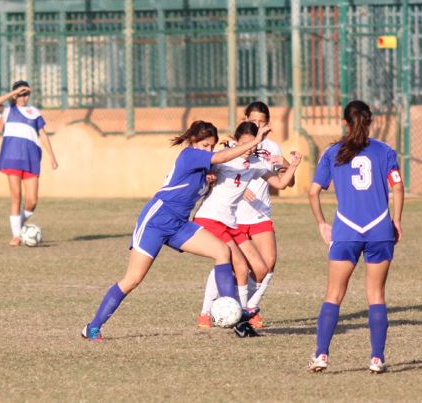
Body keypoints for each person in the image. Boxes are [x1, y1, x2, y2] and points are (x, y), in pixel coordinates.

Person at [81, 120, 271, 341]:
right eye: (205, 145)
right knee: (133, 279)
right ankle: (93, 327)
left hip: (179, 224)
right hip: (157, 220)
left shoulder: (204, 167)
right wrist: (255, 141)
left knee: (222, 252)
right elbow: (220, 157)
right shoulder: (189, 154)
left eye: (211, 145)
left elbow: (222, 162)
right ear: (193, 142)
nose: (208, 150)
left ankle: (234, 316)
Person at [307, 100, 404, 374]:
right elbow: (397, 187)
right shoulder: (384, 151)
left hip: (346, 229)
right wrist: (395, 220)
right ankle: (376, 358)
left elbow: (313, 192)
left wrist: (322, 224)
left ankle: (321, 355)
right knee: (376, 295)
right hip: (379, 229)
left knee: (334, 295)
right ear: (370, 122)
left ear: (345, 123)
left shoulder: (332, 152)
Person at [194, 121, 301, 329]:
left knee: (260, 268)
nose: (249, 149)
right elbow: (204, 171)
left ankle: (234, 307)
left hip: (230, 223)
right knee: (241, 267)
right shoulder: (224, 159)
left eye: (253, 144)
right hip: (211, 218)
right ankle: (236, 318)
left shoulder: (256, 164)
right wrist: (209, 177)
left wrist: (294, 165)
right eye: (245, 143)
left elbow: (280, 183)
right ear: (236, 141)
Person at [235, 101, 291, 328]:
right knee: (238, 267)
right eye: (253, 121)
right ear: (244, 118)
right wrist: (240, 188)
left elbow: (285, 183)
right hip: (236, 216)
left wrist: (288, 164)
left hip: (260, 214)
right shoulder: (234, 144)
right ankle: (208, 310)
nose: (257, 125)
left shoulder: (273, 148)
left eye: (262, 122)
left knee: (268, 264)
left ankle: (251, 308)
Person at [0, 80, 59, 247]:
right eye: (20, 94)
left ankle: (19, 224)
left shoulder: (34, 112)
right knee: (16, 196)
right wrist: (12, 93)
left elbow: (43, 134)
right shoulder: (7, 111)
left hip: (31, 158)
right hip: (11, 158)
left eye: (26, 93)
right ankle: (16, 236)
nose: (23, 97)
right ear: (15, 96)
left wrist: (52, 156)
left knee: (32, 201)